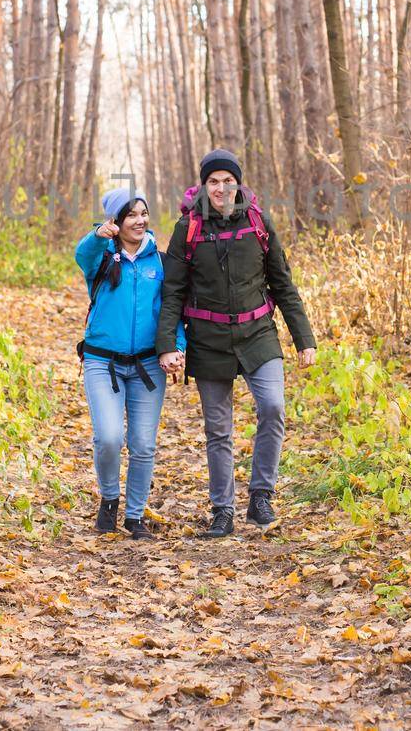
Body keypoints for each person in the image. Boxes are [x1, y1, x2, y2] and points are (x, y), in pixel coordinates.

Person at [156, 149, 317, 538]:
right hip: (208, 339)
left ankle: (261, 495)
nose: (222, 188)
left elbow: (282, 282)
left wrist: (303, 338)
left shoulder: (258, 221)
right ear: (204, 186)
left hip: (258, 333)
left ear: (238, 184)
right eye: (214, 181)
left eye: (229, 180)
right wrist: (166, 344)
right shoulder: (188, 228)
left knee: (274, 408)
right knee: (218, 429)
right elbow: (173, 291)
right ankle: (222, 510)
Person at [75, 187, 182, 539]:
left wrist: (176, 347)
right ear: (116, 222)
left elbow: (173, 312)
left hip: (148, 366)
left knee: (143, 444)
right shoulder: (101, 256)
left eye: (143, 213)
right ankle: (109, 498)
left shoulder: (161, 262)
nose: (139, 220)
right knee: (108, 437)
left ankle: (135, 516)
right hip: (101, 362)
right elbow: (81, 254)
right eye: (131, 215)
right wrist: (97, 235)